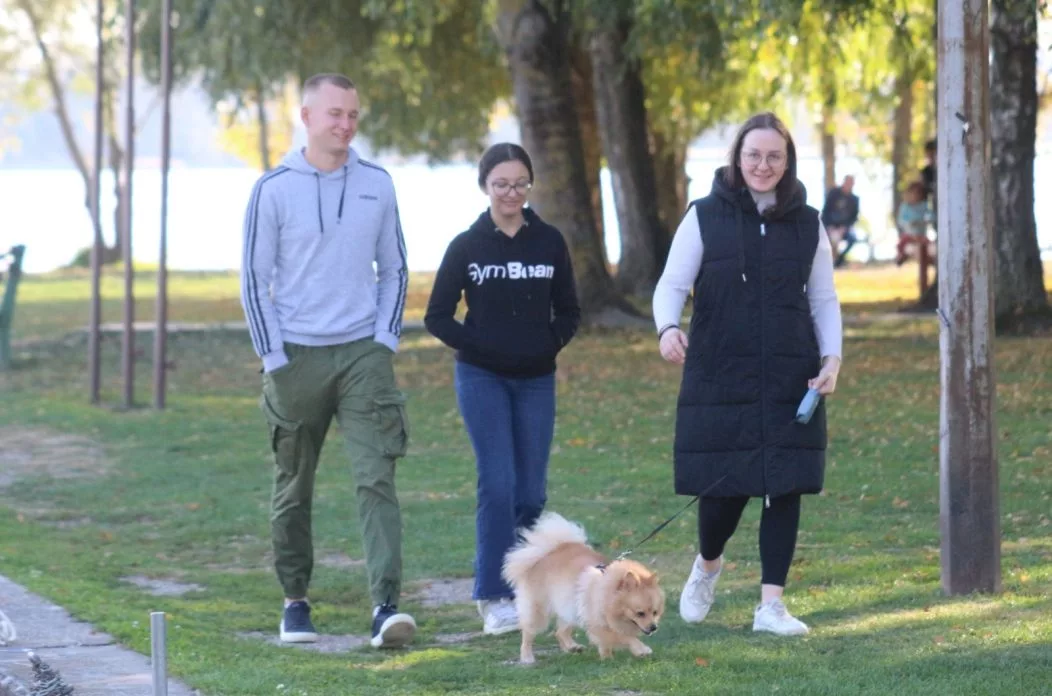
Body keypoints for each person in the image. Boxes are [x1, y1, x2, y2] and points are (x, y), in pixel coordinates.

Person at [239, 73, 416, 649]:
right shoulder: (272, 189)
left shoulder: (377, 184)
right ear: (308, 117)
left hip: (364, 353)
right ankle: (295, 602)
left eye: (353, 114)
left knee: (377, 479)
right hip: (295, 358)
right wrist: (274, 356)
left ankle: (385, 607)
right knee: (293, 485)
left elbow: (395, 268)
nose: (345, 124)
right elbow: (253, 279)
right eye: (335, 113)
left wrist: (384, 340)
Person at [652, 112, 843, 636]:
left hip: (791, 374)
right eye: (754, 154)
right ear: (737, 157)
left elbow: (824, 299)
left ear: (788, 161)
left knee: (785, 485)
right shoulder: (704, 215)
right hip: (720, 373)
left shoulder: (808, 223)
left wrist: (831, 359)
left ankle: (771, 606)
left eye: (774, 156)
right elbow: (671, 285)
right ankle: (708, 563)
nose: (763, 165)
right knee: (723, 487)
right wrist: (667, 328)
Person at [424, 143, 581, 636]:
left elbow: (570, 310)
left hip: (536, 379)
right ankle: (492, 595)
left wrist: (548, 343)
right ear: (484, 186)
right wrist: (479, 346)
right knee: (498, 483)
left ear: (529, 186)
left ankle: (522, 579)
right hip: (482, 377)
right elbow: (436, 316)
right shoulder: (467, 246)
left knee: (531, 493)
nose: (511, 193)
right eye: (501, 185)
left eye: (519, 184)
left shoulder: (549, 242)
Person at [821, 175, 861, 267]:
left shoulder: (855, 199)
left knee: (852, 238)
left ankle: (839, 260)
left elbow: (854, 218)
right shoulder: (833, 193)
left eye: (851, 183)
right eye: (848, 182)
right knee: (825, 240)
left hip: (844, 228)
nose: (849, 185)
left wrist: (845, 228)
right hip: (829, 227)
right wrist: (829, 227)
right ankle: (827, 261)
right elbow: (826, 211)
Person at [895, 180, 933, 266]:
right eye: (913, 193)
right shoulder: (905, 207)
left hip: (921, 235)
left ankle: (931, 258)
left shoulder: (923, 206)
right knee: (902, 243)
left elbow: (931, 216)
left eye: (918, 193)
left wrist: (924, 220)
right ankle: (900, 255)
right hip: (909, 235)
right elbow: (901, 221)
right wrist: (909, 223)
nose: (915, 196)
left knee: (927, 243)